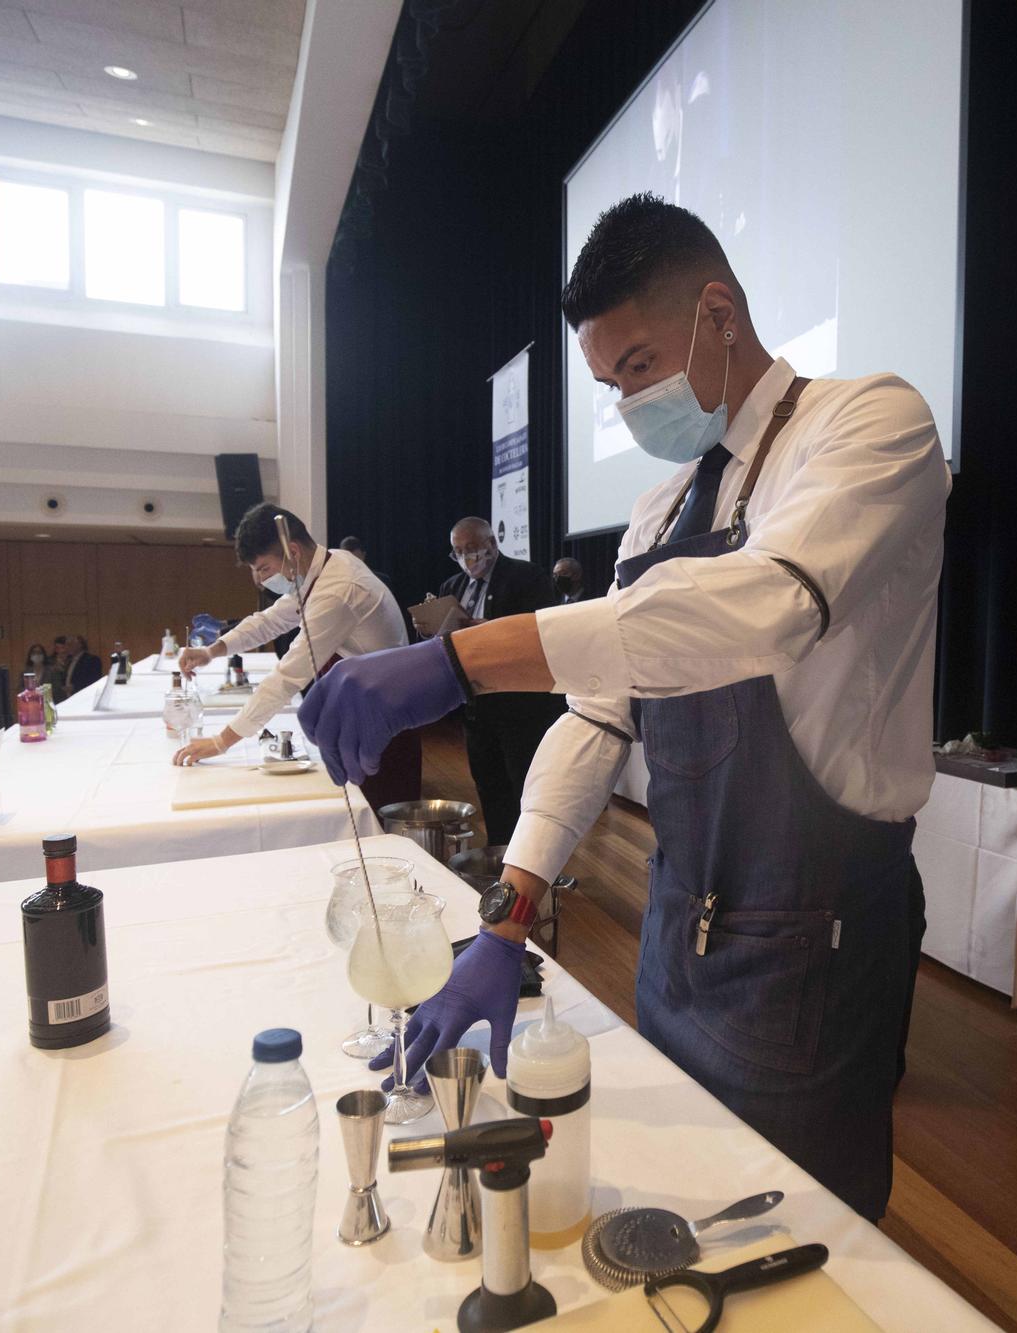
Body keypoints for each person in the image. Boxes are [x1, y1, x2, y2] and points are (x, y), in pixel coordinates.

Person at [298, 194, 949, 1221]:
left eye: (637, 366)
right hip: (676, 928)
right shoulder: (658, 508)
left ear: (717, 313)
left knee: (798, 1231)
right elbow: (601, 715)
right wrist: (510, 914)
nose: (627, 404)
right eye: (609, 385)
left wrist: (459, 660)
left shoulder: (868, 424)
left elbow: (764, 608)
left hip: (810, 938)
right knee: (688, 1210)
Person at [171, 503, 418, 809]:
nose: (259, 581)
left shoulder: (337, 591)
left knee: (380, 824)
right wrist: (212, 650)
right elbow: (270, 620)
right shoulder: (326, 565)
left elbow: (286, 677)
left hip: (384, 720)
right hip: (364, 708)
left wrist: (221, 742)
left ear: (293, 551)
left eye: (263, 569)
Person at [431, 517, 567, 845]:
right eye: (458, 552)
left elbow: (539, 629)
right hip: (477, 705)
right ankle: (499, 855)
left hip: (520, 706)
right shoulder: (452, 587)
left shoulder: (526, 576)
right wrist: (432, 631)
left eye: (473, 549)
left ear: (492, 544)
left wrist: (486, 628)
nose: (467, 557)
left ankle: (534, 857)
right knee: (488, 784)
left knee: (526, 785)